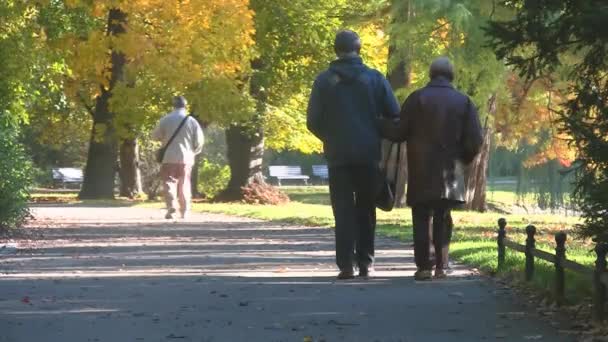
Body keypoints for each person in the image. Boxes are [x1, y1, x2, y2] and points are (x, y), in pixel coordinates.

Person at [307, 30, 400, 280]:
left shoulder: (323, 81)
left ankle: (345, 264)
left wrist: (330, 137)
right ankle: (366, 263)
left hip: (338, 155)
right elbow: (394, 112)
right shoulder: (375, 79)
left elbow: (312, 121)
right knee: (367, 209)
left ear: (336, 50)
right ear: (359, 50)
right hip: (369, 153)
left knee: (343, 210)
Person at [380, 57, 483, 280]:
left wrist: (379, 124)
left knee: (421, 215)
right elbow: (475, 140)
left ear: (431, 74)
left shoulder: (416, 99)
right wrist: (462, 161)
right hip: (450, 170)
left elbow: (398, 133)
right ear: (451, 75)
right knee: (443, 215)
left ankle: (424, 266)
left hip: (421, 168)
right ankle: (441, 267)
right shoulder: (464, 102)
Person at [152, 96, 204, 220]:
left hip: (169, 157)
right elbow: (199, 141)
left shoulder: (165, 119)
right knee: (184, 184)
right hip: (186, 158)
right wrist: (193, 152)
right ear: (185, 106)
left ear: (173, 105)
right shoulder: (191, 121)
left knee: (169, 182)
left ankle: (171, 206)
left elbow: (155, 136)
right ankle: (185, 211)